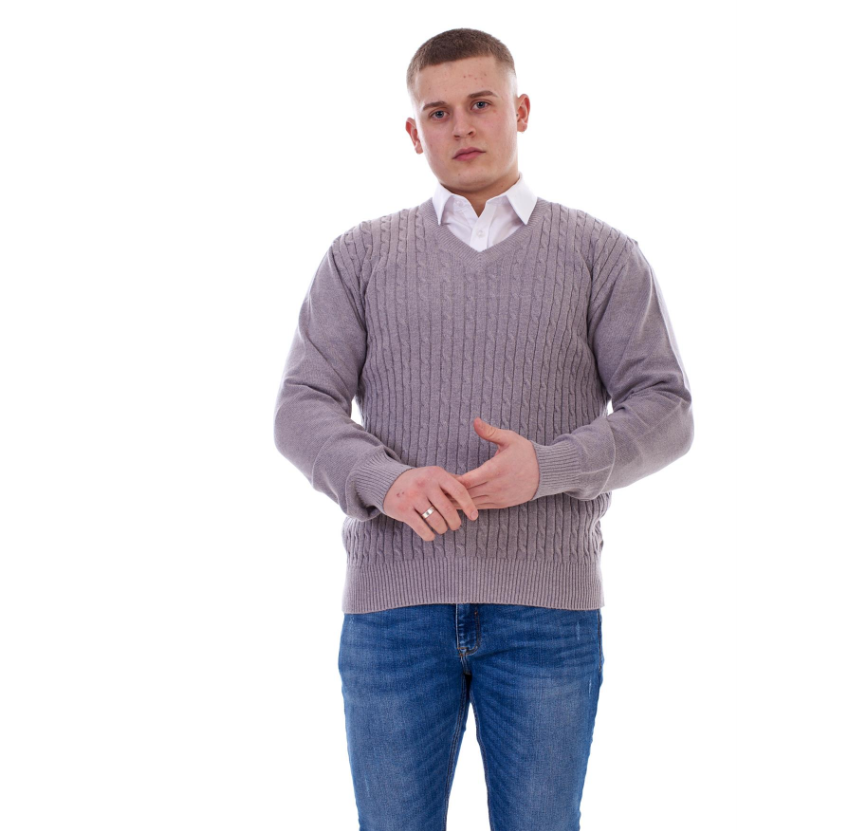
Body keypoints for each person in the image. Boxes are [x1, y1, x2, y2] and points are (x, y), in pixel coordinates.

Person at [273, 27, 694, 831]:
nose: (460, 126)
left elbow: (665, 408)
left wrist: (549, 467)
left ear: (520, 111)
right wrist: (387, 481)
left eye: (480, 104)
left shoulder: (600, 255)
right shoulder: (359, 257)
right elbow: (301, 406)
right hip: (394, 611)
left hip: (546, 611)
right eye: (438, 112)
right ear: (414, 131)